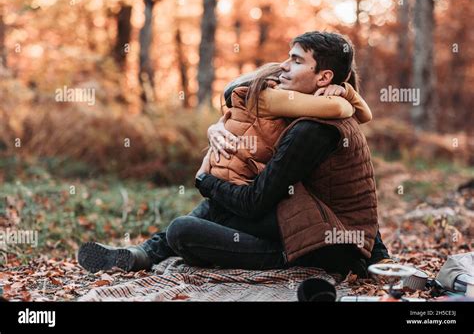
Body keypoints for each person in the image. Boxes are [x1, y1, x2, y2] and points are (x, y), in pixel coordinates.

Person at [78, 31, 391, 277]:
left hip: (328, 245)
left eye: (296, 60)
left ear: (323, 78)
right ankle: (145, 253)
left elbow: (255, 203)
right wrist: (217, 127)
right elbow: (240, 100)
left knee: (186, 229)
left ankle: (159, 250)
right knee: (216, 209)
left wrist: (205, 180)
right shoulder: (308, 114)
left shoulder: (312, 129)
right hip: (318, 222)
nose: (284, 65)